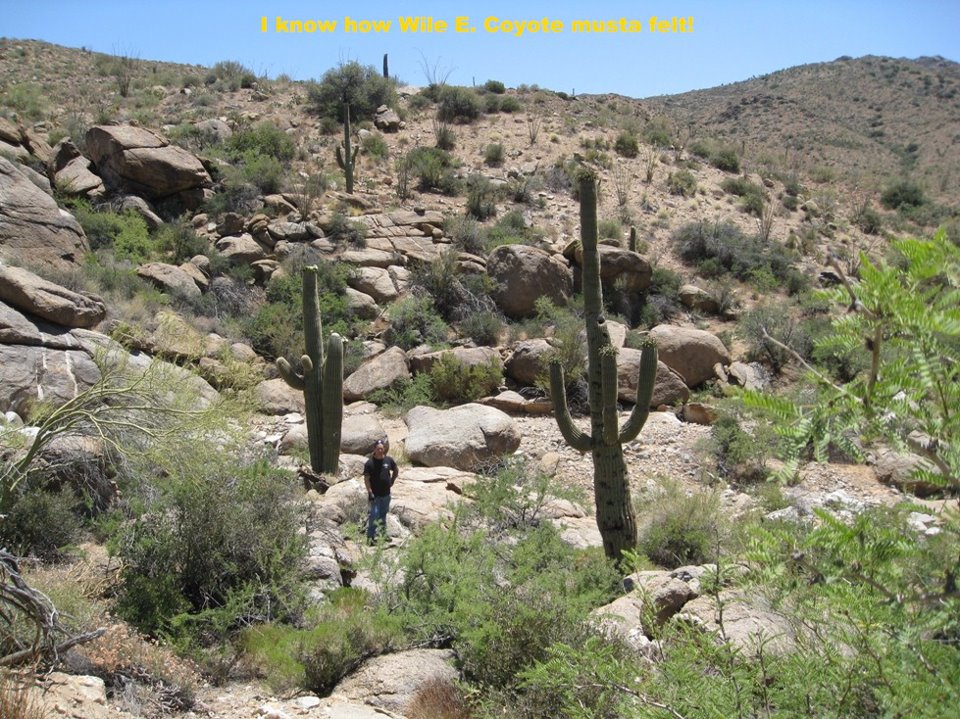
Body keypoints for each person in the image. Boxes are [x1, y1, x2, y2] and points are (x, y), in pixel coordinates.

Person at [363, 439, 399, 543]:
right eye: (378, 449)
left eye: (382, 449)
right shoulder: (369, 463)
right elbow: (366, 479)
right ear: (374, 449)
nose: (380, 451)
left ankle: (383, 534)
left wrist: (392, 480)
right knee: (374, 515)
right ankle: (370, 537)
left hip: (386, 494)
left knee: (383, 514)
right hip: (375, 495)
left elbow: (396, 470)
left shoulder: (388, 460)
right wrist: (370, 492)